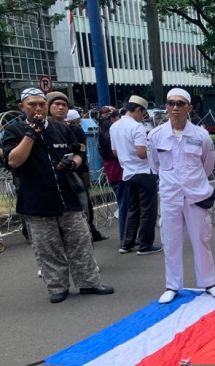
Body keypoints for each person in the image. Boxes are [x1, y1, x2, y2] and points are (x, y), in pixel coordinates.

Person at [2, 88, 113, 303]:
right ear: (22, 107)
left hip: (68, 197)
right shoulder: (14, 130)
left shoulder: (60, 128)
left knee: (80, 242)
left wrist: (74, 162)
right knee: (47, 248)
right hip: (37, 202)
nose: (37, 108)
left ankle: (89, 282)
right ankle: (57, 287)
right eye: (31, 104)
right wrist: (31, 134)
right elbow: (13, 160)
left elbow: (78, 151)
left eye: (41, 104)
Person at [148, 88, 215, 304]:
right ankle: (172, 285)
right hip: (170, 196)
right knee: (171, 241)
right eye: (171, 103)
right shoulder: (155, 136)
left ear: (189, 108)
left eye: (180, 103)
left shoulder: (201, 136)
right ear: (166, 107)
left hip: (195, 195)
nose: (175, 108)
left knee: (201, 239)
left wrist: (191, 181)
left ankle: (209, 282)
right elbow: (154, 165)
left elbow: (207, 166)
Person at [110, 95, 162, 255]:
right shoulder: (137, 127)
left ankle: (127, 243)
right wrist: (155, 150)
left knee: (133, 209)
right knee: (148, 210)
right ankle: (145, 245)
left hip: (128, 173)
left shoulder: (114, 126)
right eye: (143, 113)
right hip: (144, 172)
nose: (143, 117)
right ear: (138, 109)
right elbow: (141, 153)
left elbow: (114, 152)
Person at [64, 108, 109, 242]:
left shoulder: (69, 131)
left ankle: (89, 231)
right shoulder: (76, 130)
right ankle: (90, 230)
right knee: (85, 202)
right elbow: (82, 148)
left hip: (74, 169)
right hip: (80, 171)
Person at [98, 106, 130, 244]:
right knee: (124, 205)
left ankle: (127, 235)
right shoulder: (111, 134)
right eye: (117, 116)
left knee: (124, 204)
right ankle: (125, 237)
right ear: (112, 118)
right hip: (119, 172)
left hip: (112, 172)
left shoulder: (102, 133)